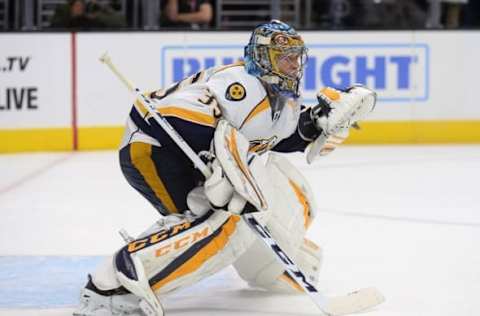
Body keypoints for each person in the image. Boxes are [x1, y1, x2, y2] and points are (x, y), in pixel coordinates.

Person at [73, 20, 377, 316]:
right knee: (221, 221)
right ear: (261, 58)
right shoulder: (239, 84)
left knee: (287, 186)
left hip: (187, 153)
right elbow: (164, 115)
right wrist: (222, 161)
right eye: (284, 59)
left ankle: (268, 266)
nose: (293, 67)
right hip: (154, 150)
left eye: (295, 59)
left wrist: (315, 123)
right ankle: (112, 286)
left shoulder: (283, 97)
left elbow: (275, 139)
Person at [50, 0, 126, 29]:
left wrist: (98, 16)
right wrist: (73, 15)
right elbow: (54, 27)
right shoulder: (65, 8)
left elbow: (121, 23)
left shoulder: (101, 7)